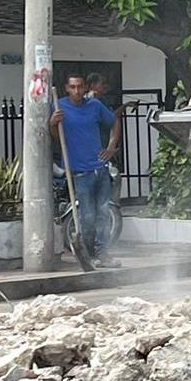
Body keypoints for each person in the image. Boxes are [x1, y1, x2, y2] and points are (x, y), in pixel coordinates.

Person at [50, 75, 123, 267]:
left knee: (104, 213)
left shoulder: (95, 105)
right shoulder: (60, 106)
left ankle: (103, 254)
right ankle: (89, 254)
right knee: (87, 216)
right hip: (80, 171)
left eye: (79, 87)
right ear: (67, 88)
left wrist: (111, 147)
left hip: (100, 168)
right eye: (72, 87)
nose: (76, 91)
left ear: (85, 88)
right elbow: (58, 138)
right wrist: (52, 124)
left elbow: (114, 121)